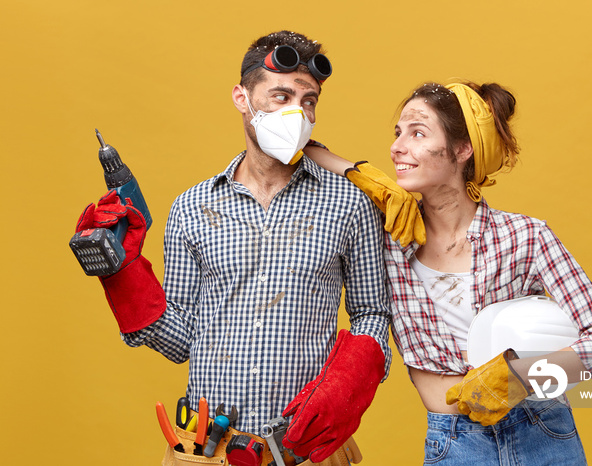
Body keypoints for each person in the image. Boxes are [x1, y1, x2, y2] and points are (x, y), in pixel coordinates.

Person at [74, 30, 391, 464]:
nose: (296, 112)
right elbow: (183, 341)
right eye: (280, 96)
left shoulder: (348, 204)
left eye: (308, 101)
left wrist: (350, 383)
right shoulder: (192, 207)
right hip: (206, 450)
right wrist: (123, 275)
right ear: (242, 97)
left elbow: (373, 312)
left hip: (306, 453)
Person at [304, 80, 592, 465]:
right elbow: (301, 150)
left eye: (417, 133)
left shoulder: (525, 236)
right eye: (398, 133)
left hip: (542, 431)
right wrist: (362, 175)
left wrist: (520, 377)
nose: (397, 147)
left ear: (462, 150)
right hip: (456, 443)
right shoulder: (386, 238)